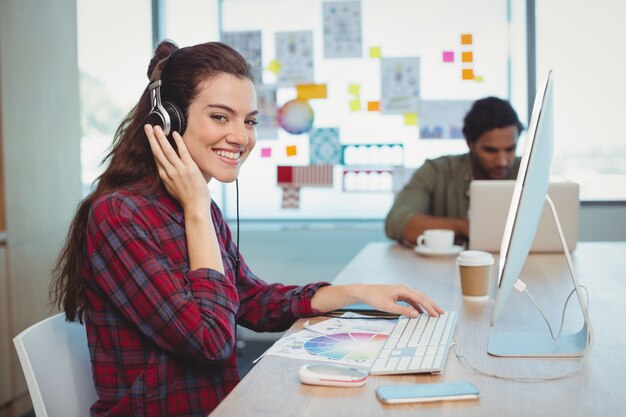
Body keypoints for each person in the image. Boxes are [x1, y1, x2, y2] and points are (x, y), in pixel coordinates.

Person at [50, 40, 443, 417]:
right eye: (220, 117)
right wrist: (198, 211)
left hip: (223, 407)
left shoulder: (194, 208)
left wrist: (355, 293)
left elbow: (249, 300)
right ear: (168, 119)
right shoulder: (121, 216)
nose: (241, 137)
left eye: (249, 121)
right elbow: (211, 342)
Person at [385, 97, 524, 246]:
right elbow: (396, 222)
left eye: (510, 149)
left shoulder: (527, 171)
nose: (502, 161)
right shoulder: (437, 171)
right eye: (490, 150)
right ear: (470, 142)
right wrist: (465, 227)